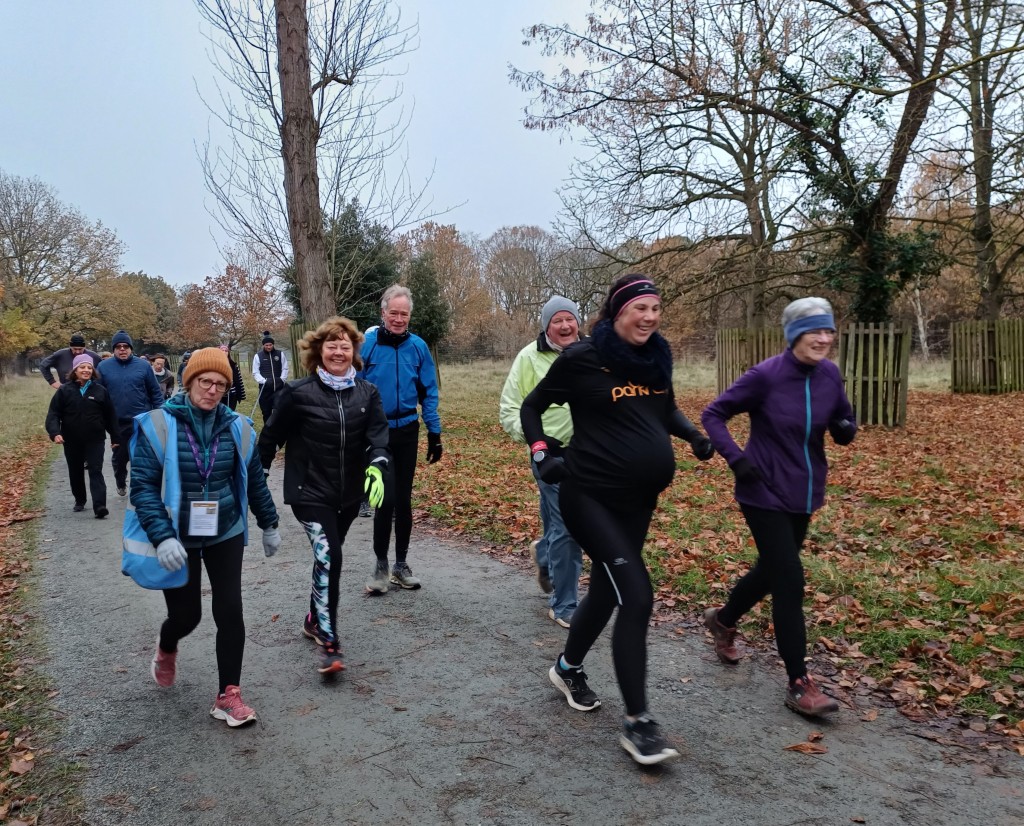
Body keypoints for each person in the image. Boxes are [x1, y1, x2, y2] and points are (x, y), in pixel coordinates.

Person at [520, 273, 715, 766]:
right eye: (640, 308)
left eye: (656, 307)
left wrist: (692, 435)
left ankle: (567, 667)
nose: (650, 317)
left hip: (638, 499)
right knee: (636, 594)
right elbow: (533, 406)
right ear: (616, 312)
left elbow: (664, 409)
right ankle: (638, 722)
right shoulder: (582, 358)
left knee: (608, 589)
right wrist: (542, 451)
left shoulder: (654, 359)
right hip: (589, 496)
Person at [700, 297, 856, 718]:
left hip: (804, 492)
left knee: (772, 569)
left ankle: (724, 618)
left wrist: (845, 428)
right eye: (813, 331)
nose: (823, 339)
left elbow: (843, 418)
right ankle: (799, 682)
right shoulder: (766, 376)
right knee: (789, 580)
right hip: (762, 491)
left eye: (828, 331)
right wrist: (737, 459)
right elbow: (713, 414)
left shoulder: (830, 374)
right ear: (793, 336)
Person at [130, 347, 281, 727]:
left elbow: (254, 481)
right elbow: (144, 488)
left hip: (223, 527)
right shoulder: (158, 425)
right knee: (187, 615)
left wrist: (270, 522)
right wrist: (162, 537)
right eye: (205, 382)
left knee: (230, 609)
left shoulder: (238, 427)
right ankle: (167, 645)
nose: (212, 390)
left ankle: (228, 695)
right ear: (189, 382)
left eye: (220, 384)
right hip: (176, 534)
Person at [258, 317, 390, 674]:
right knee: (330, 555)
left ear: (353, 353)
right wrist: (260, 475)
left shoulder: (367, 393)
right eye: (331, 345)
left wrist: (377, 465)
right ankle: (330, 644)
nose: (338, 351)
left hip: (347, 495)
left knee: (327, 556)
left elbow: (378, 437)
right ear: (319, 351)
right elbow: (270, 436)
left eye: (345, 345)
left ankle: (314, 619)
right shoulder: (297, 393)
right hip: (308, 491)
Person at [499, 295, 584, 628]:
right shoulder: (528, 357)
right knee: (569, 526)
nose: (564, 326)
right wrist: (536, 441)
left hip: (588, 454)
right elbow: (509, 408)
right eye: (557, 321)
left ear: (578, 321)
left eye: (569, 319)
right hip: (547, 453)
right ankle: (564, 605)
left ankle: (546, 554)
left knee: (558, 522)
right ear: (546, 325)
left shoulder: (591, 354)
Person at [358, 286, 442, 594]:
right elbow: (353, 385)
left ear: (409, 315)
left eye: (403, 314)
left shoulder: (418, 347)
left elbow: (429, 391)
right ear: (382, 313)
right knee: (385, 498)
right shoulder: (366, 345)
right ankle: (380, 564)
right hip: (376, 432)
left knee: (404, 501)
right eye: (392, 313)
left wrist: (434, 432)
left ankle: (401, 565)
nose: (398, 319)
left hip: (408, 429)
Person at [44, 354, 120, 519]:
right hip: (71, 439)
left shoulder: (100, 391)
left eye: (89, 367)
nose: (86, 370)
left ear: (93, 371)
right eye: (82, 367)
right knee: (75, 470)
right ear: (75, 370)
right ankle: (80, 499)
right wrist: (55, 432)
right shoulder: (65, 390)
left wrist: (115, 437)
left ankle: (100, 506)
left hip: (95, 438)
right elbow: (54, 414)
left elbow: (110, 416)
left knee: (95, 470)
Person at [96, 330, 164, 497]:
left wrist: (161, 413)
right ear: (113, 349)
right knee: (120, 458)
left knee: (141, 457)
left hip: (141, 419)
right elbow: (98, 395)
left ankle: (139, 488)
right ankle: (120, 481)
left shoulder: (143, 366)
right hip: (117, 422)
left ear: (131, 348)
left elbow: (155, 391)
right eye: (118, 347)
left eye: (126, 346)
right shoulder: (103, 367)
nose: (122, 349)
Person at [252, 332, 289, 423]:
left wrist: (281, 379)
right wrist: (264, 381)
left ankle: (278, 431)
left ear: (273, 344)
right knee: (266, 411)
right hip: (265, 389)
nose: (269, 347)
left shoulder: (280, 354)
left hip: (279, 388)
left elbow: (285, 368)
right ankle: (267, 430)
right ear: (263, 345)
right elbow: (255, 372)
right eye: (266, 345)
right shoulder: (258, 356)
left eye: (270, 345)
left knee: (279, 410)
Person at [218, 344, 246, 411]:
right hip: (219, 394)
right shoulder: (215, 365)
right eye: (222, 350)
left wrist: (240, 394)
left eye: (226, 351)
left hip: (232, 394)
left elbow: (239, 380)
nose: (224, 352)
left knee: (230, 413)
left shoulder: (233, 365)